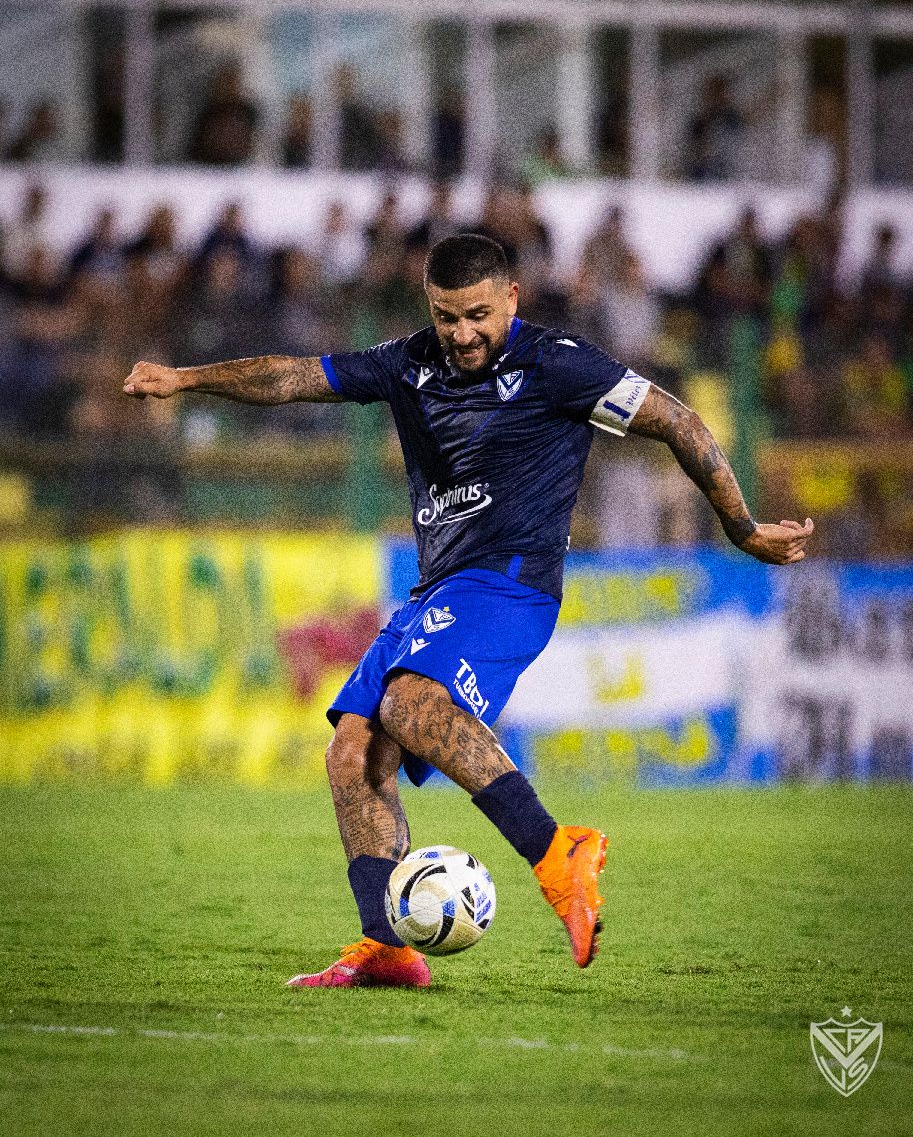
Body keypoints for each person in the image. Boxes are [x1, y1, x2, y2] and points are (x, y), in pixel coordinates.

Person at [123, 234, 814, 988]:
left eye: (478, 315)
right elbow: (294, 377)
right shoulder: (407, 363)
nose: (461, 334)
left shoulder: (558, 364)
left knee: (410, 706)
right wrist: (185, 379)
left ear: (511, 298)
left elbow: (678, 420)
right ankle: (386, 947)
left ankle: (558, 854)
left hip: (510, 586)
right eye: (446, 317)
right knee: (353, 752)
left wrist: (741, 527)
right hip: (438, 590)